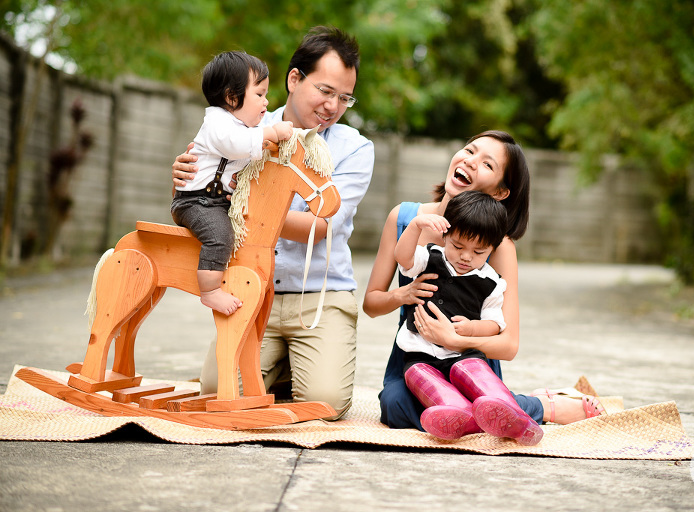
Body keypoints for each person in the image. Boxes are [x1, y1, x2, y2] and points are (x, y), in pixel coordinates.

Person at [172, 27, 374, 419]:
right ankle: (280, 368)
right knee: (217, 393)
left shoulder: (354, 149)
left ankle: (295, 364)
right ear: (294, 79)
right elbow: (208, 180)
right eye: (326, 90)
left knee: (325, 403)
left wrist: (253, 214)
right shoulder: (243, 128)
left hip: (319, 296)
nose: (333, 106)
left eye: (344, 98)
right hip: (252, 287)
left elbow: (322, 227)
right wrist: (186, 177)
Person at [363, 130, 604, 433]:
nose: (471, 161)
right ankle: (520, 408)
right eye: (469, 150)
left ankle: (538, 407)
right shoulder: (405, 219)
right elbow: (371, 304)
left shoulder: (499, 247)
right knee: (395, 405)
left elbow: (508, 344)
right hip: (414, 359)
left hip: (471, 363)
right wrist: (403, 294)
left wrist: (455, 340)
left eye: (488, 164)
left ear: (500, 192)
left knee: (473, 403)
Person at [394, 190, 544, 444]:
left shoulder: (490, 282)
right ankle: (465, 418)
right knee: (427, 384)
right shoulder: (430, 258)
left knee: (483, 379)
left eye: (478, 252)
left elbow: (495, 324)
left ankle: (516, 419)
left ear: (492, 249)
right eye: (458, 246)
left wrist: (471, 329)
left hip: (465, 355)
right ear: (446, 236)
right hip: (420, 356)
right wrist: (416, 226)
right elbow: (403, 257)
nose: (466, 257)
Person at [171, 51, 293, 316]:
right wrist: (272, 132)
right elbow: (235, 146)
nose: (266, 101)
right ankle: (210, 291)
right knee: (221, 236)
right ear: (231, 97)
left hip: (214, 201)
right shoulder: (217, 122)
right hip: (196, 201)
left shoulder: (244, 129)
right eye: (259, 94)